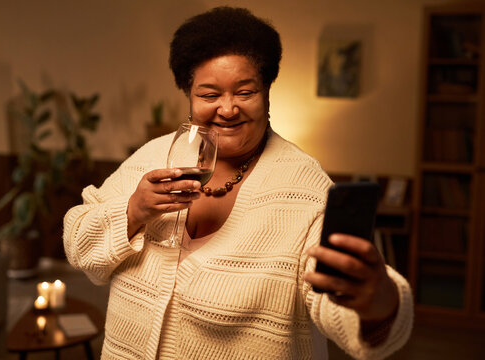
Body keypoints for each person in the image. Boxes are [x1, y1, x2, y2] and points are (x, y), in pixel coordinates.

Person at [63, 6, 413, 359]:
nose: (227, 109)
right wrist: (132, 211)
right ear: (189, 96)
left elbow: (336, 304)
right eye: (209, 95)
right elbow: (78, 244)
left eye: (244, 92)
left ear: (267, 93)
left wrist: (379, 302)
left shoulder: (306, 189)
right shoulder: (154, 156)